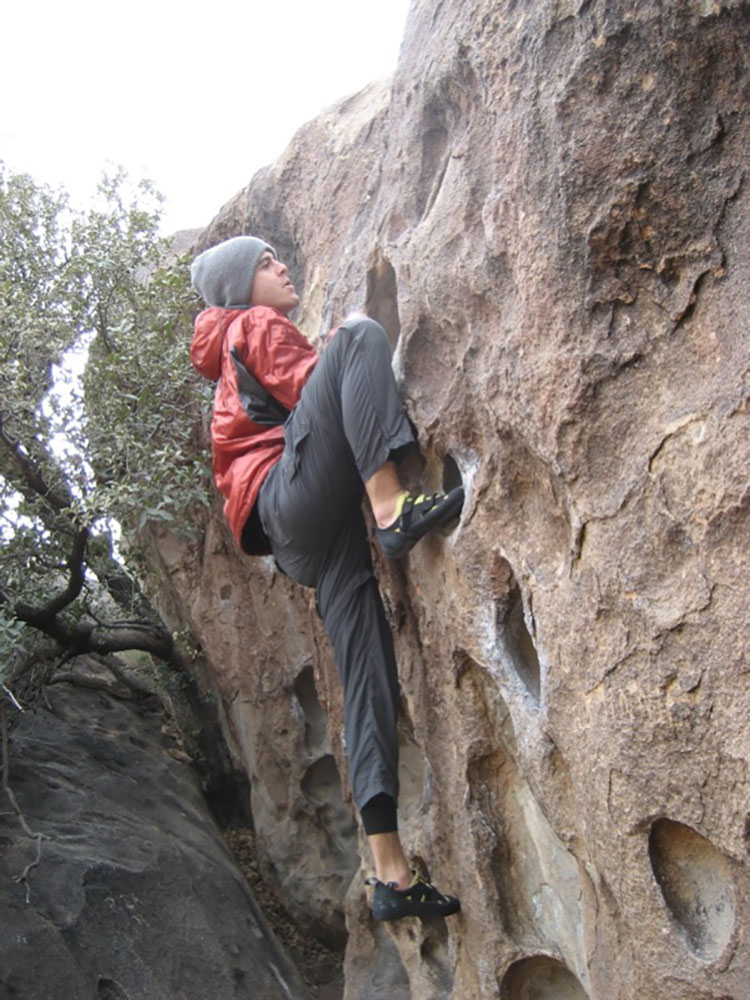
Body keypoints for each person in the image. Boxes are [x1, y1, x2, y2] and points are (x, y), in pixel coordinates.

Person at [190, 235, 463, 921]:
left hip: (302, 534)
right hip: (290, 495)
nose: (281, 268)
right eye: (264, 262)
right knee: (359, 335)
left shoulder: (228, 352)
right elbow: (328, 383)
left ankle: (391, 874)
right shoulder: (251, 325)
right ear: (237, 285)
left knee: (364, 666)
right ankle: (393, 505)